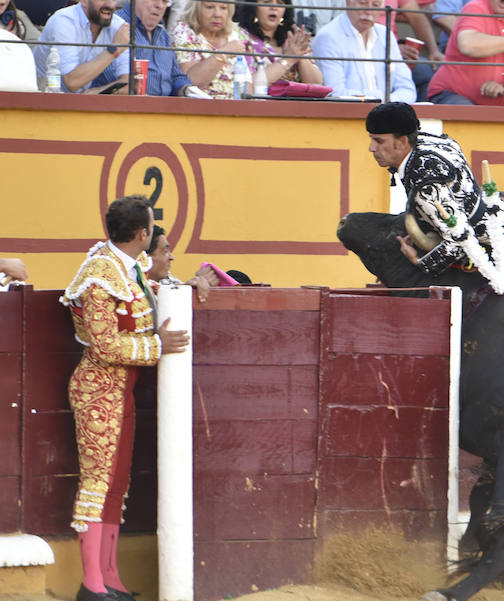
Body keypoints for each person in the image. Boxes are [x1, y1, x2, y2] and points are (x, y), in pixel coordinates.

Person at [60, 195, 189, 601]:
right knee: (98, 483)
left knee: (117, 484)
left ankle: (110, 577)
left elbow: (147, 297)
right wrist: (158, 346)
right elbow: (102, 345)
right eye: (152, 226)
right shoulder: (101, 272)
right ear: (141, 234)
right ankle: (91, 584)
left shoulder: (126, 267)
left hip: (122, 389)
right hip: (98, 389)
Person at [366, 102, 504, 300]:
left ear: (401, 142)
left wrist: (419, 261)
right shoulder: (429, 141)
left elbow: (459, 239)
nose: (372, 148)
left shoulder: (426, 184)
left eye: (379, 141)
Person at [311, 0, 416, 101]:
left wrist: (386, 103)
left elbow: (408, 90)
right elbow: (335, 93)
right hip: (349, 115)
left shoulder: (385, 35)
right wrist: (382, 99)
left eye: (375, 5)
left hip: (387, 113)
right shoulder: (328, 37)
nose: (369, 11)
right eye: (363, 3)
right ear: (348, 3)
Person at [93, 0, 195, 96]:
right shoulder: (114, 25)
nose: (160, 5)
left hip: (162, 110)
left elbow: (176, 76)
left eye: (164, 1)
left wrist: (186, 89)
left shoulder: (162, 33)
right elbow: (111, 80)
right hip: (122, 109)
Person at [32, 0, 131, 93]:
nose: (110, 5)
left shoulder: (118, 26)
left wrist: (98, 92)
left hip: (78, 102)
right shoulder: (64, 20)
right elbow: (71, 82)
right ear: (84, 1)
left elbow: (130, 84)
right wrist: (113, 50)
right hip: (38, 96)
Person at [171, 1, 252, 98]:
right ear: (196, 9)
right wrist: (223, 54)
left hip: (235, 109)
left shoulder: (233, 34)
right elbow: (190, 84)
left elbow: (247, 84)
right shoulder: (184, 32)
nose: (217, 14)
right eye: (210, 7)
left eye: (223, 8)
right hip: (200, 108)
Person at [236, 0, 323, 86]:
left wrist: (299, 54)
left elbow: (316, 83)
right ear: (253, 7)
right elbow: (248, 85)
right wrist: (289, 59)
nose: (274, 7)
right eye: (267, 2)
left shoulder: (292, 38)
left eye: (280, 3)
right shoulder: (240, 38)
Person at [146, 225, 217, 301]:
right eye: (165, 251)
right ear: (145, 257)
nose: (172, 257)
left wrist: (195, 287)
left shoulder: (168, 279)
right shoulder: (133, 287)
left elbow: (182, 289)